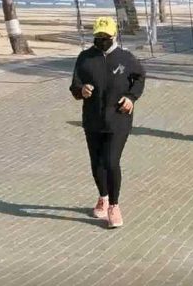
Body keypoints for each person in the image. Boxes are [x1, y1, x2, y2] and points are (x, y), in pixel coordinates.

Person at [70, 16, 146, 228]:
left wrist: (131, 98)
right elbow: (74, 85)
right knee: (97, 163)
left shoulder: (126, 58)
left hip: (118, 119)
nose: (102, 39)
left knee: (111, 161)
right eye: (98, 36)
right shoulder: (85, 58)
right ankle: (102, 197)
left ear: (114, 36)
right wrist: (81, 90)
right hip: (93, 119)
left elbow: (140, 77)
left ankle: (114, 205)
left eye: (106, 36)